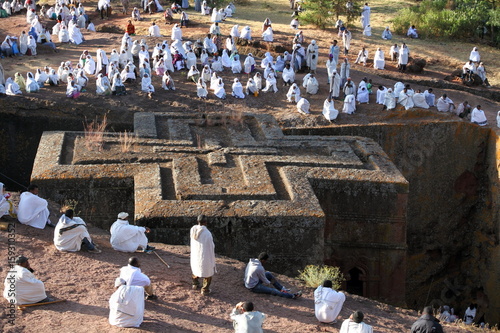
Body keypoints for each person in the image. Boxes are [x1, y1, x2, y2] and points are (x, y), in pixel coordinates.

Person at [190, 214, 216, 295]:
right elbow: (211, 246)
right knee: (207, 272)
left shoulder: (193, 229)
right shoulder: (207, 233)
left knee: (196, 268)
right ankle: (205, 290)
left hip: (196, 254)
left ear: (198, 221)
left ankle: (195, 284)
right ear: (205, 222)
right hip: (204, 255)